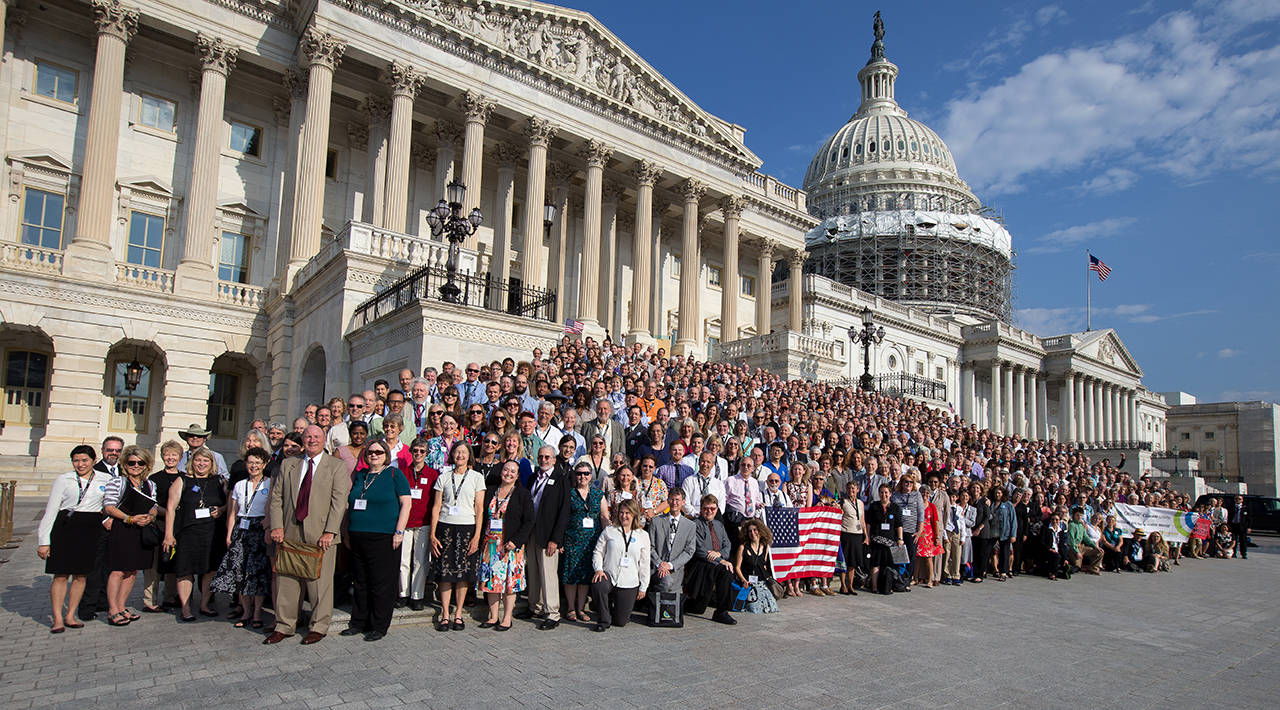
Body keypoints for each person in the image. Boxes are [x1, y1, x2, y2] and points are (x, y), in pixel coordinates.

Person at [264, 425, 352, 645]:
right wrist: (276, 526)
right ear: (302, 439)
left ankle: (319, 626)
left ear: (324, 440)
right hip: (289, 531)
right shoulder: (289, 464)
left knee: (319, 584)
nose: (312, 440)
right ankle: (285, 625)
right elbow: (276, 498)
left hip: (322, 534)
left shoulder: (336, 466)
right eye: (308, 437)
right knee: (287, 580)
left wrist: (330, 531)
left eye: (316, 437)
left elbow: (339, 502)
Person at [341, 438, 412, 642]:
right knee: (361, 582)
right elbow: (350, 505)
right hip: (357, 534)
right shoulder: (361, 475)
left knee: (381, 583)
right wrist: (345, 530)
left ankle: (379, 625)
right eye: (371, 452)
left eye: (379, 452)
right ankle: (358, 622)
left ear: (386, 456)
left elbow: (406, 504)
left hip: (384, 537)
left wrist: (399, 532)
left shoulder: (393, 474)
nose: (374, 455)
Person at [37, 445, 112, 632]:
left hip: (90, 528)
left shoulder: (106, 479)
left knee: (80, 575)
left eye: (84, 460)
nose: (80, 464)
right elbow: (51, 510)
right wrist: (43, 541)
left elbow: (110, 505)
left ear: (94, 461)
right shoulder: (64, 480)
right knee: (61, 575)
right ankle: (57, 618)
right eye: (76, 460)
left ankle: (70, 614)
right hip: (66, 527)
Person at [162, 447, 228, 621]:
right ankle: (185, 608)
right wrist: (169, 534)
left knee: (210, 570)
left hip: (212, 533)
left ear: (212, 463)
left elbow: (230, 503)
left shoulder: (219, 481)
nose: (202, 464)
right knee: (185, 571)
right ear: (192, 462)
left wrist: (220, 510)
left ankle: (204, 604)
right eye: (198, 460)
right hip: (188, 532)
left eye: (206, 461)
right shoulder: (182, 480)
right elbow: (170, 508)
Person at [210, 446, 273, 628]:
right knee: (242, 572)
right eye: (251, 462)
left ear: (264, 464)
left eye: (257, 463)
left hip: (260, 529)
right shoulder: (239, 485)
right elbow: (232, 513)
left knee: (258, 573)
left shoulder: (269, 484)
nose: (254, 466)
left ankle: (257, 613)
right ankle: (245, 612)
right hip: (242, 529)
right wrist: (229, 534)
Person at [429, 441, 486, 632]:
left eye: (464, 452)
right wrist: (432, 534)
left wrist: (477, 536)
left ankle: (458, 613)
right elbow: (436, 507)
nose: (460, 455)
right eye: (457, 452)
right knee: (446, 574)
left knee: (462, 574)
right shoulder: (443, 477)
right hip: (445, 528)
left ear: (469, 455)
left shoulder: (477, 477)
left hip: (467, 528)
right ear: (452, 455)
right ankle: (445, 614)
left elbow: (479, 508)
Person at [102, 446, 160, 627]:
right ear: (125, 464)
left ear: (146, 465)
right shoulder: (117, 482)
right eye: (131, 462)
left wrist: (150, 516)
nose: (136, 466)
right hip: (123, 529)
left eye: (140, 462)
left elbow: (154, 505)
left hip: (141, 530)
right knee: (118, 570)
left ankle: (122, 606)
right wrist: (129, 518)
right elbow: (109, 507)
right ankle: (112, 609)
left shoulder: (150, 484)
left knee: (132, 571)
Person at [518, 446, 572, 630]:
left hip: (549, 535)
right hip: (532, 532)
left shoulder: (561, 480)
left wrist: (556, 539)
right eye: (540, 456)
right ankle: (535, 606)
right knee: (533, 571)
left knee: (548, 574)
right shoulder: (533, 477)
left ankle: (552, 613)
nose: (543, 460)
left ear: (554, 459)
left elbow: (564, 512)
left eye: (547, 457)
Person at [478, 461, 534, 631]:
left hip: (510, 546)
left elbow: (529, 521)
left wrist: (516, 541)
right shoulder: (490, 491)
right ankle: (493, 616)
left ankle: (507, 618)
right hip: (490, 545)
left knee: (510, 583)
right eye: (506, 470)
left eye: (513, 471)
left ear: (517, 476)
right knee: (491, 583)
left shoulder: (522, 494)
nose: (508, 473)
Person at [589, 499, 651, 631]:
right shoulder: (609, 531)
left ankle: (612, 606)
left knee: (620, 621)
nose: (624, 516)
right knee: (598, 585)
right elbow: (598, 552)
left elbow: (645, 563)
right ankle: (603, 619)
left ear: (634, 514)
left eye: (627, 513)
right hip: (609, 575)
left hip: (629, 581)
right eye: (621, 512)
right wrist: (598, 569)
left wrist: (643, 587)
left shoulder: (643, 535)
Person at [561, 462, 609, 622]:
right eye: (579, 473)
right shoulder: (568, 493)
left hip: (591, 542)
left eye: (586, 473)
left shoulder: (598, 494)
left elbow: (603, 516)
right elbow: (562, 517)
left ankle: (581, 609)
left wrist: (608, 537)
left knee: (585, 577)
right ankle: (570, 608)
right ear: (575, 475)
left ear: (591, 476)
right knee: (571, 576)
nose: (583, 476)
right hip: (572, 540)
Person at [143, 440, 184, 613]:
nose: (170, 458)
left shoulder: (184, 478)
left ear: (180, 457)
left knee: (173, 563)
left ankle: (170, 597)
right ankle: (149, 600)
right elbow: (150, 503)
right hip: (158, 525)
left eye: (174, 454)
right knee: (153, 566)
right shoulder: (154, 479)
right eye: (167, 454)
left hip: (177, 526)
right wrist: (168, 511)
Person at [684, 495, 737, 624]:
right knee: (697, 609)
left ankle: (721, 612)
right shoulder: (695, 524)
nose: (709, 511)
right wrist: (720, 560)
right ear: (701, 509)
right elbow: (699, 549)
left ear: (717, 509)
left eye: (712, 508)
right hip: (701, 565)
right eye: (706, 508)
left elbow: (727, 544)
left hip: (716, 563)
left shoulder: (719, 525)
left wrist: (720, 555)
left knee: (726, 571)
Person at [399, 437, 436, 610]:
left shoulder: (433, 474)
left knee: (420, 561)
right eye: (415, 451)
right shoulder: (403, 473)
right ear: (411, 452)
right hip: (405, 523)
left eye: (422, 451)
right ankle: (403, 593)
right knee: (403, 560)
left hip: (424, 522)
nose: (418, 454)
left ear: (427, 454)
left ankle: (417, 596)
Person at [648, 488, 696, 601]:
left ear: (683, 502)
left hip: (676, 570)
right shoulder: (656, 521)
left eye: (678, 500)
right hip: (656, 568)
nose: (674, 503)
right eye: (672, 499)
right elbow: (650, 547)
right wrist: (660, 564)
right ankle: (654, 604)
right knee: (666, 582)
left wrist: (670, 565)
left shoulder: (690, 526)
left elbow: (689, 551)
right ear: (668, 501)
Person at [732, 518, 779, 614]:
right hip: (748, 583)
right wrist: (743, 580)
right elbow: (737, 567)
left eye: (755, 530)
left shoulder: (765, 547)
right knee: (754, 609)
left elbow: (764, 565)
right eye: (750, 531)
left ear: (760, 531)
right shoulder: (743, 547)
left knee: (772, 608)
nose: (752, 533)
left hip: (762, 583)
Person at [864, 483, 903, 595]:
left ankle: (888, 586)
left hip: (890, 541)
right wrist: (867, 536)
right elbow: (869, 523)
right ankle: (874, 587)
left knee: (889, 565)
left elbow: (898, 524)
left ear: (890, 494)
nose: (884, 495)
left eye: (886, 492)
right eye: (881, 492)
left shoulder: (895, 508)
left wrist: (900, 538)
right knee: (875, 564)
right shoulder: (874, 506)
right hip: (876, 540)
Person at [836, 480, 865, 595]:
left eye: (853, 488)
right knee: (844, 561)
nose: (851, 491)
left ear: (857, 490)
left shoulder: (860, 503)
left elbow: (863, 520)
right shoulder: (843, 502)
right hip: (846, 533)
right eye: (849, 488)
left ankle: (851, 585)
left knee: (853, 563)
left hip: (857, 534)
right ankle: (843, 584)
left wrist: (866, 535)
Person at [915, 484, 942, 588]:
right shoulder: (916, 504)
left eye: (927, 493)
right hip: (918, 533)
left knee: (928, 558)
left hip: (928, 535)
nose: (924, 495)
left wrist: (937, 537)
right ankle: (915, 578)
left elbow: (935, 522)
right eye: (922, 492)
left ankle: (930, 579)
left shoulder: (932, 506)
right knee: (916, 557)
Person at [943, 488, 971, 585]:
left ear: (957, 498)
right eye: (950, 497)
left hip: (956, 532)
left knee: (957, 555)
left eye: (954, 497)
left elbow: (962, 523)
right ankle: (947, 575)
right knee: (947, 554)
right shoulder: (945, 508)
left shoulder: (959, 509)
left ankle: (956, 575)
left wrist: (963, 536)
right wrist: (944, 535)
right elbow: (943, 522)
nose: (952, 499)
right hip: (948, 531)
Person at [1228, 495, 1250, 559]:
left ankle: (1243, 553)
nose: (1238, 500)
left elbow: (1249, 518)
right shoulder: (1231, 507)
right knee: (1234, 540)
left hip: (1242, 526)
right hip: (1233, 525)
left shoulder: (1245, 508)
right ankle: (1234, 552)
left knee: (1243, 541)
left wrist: (1249, 527)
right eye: (1236, 499)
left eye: (1239, 499)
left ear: (1242, 500)